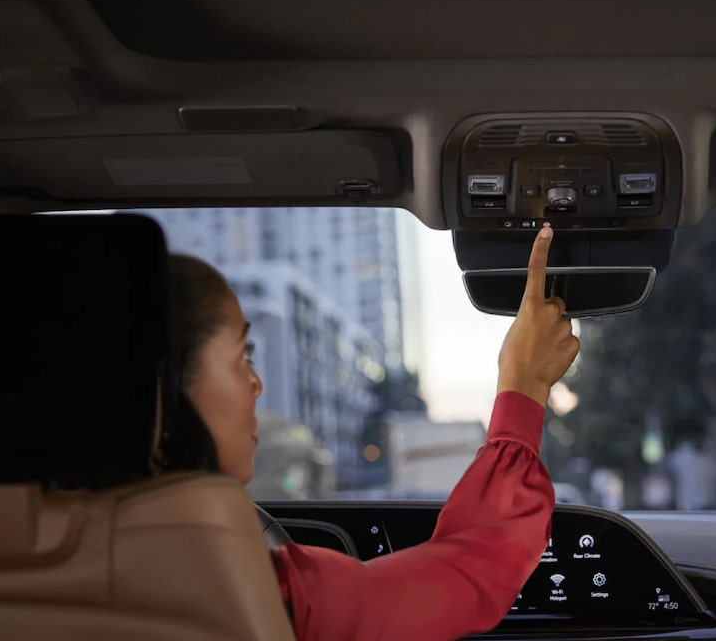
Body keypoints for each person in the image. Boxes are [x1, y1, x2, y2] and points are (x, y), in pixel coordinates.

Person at [154, 224, 578, 640]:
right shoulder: (269, 600)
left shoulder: (100, 568)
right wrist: (525, 380)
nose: (257, 384)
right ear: (165, 387)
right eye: (242, 358)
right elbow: (477, 561)